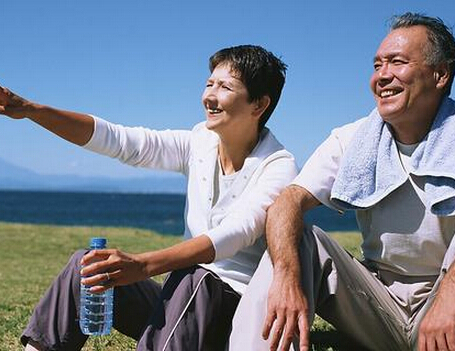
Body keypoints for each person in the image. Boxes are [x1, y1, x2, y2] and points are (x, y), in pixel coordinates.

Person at [0, 45, 298, 350]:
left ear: (259, 104)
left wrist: (143, 265)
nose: (209, 95)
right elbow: (119, 141)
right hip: (182, 304)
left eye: (224, 87)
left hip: (235, 319)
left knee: (197, 276)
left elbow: (235, 233)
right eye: (210, 83)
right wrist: (31, 111)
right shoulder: (200, 141)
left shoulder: (278, 165)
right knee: (88, 266)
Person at [229, 13, 455, 351]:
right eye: (377, 65)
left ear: (440, 75)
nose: (382, 76)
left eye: (397, 62)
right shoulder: (354, 140)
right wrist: (287, 277)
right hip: (378, 302)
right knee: (302, 242)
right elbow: (287, 202)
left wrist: (450, 300)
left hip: (446, 298)